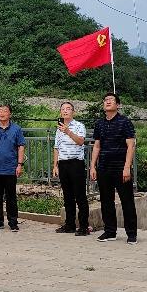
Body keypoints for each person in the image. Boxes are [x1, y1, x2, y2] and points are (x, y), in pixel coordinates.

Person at [89, 92, 138, 244]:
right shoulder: (99, 123)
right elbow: (97, 146)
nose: (108, 101)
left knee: (127, 201)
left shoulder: (125, 122)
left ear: (117, 105)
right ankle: (110, 232)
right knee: (106, 201)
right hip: (104, 167)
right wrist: (92, 166)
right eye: (105, 100)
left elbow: (131, 145)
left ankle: (131, 234)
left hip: (120, 168)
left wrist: (127, 167)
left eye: (111, 100)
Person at [0, 104, 26, 232]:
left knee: (11, 196)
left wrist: (19, 165)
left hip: (10, 168)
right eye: (0, 111)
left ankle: (13, 222)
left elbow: (21, 146)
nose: (2, 113)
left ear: (10, 114)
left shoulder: (16, 129)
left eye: (5, 111)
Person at [52, 101, 89, 236]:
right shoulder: (59, 128)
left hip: (76, 163)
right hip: (63, 163)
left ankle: (84, 226)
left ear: (73, 112)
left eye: (68, 109)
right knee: (67, 196)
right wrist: (55, 165)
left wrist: (68, 131)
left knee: (80, 196)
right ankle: (70, 225)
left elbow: (80, 141)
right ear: (61, 112)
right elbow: (56, 147)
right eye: (63, 109)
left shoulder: (79, 126)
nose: (65, 111)